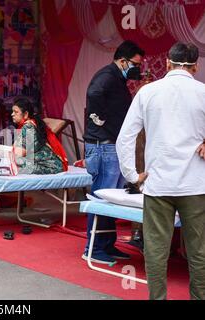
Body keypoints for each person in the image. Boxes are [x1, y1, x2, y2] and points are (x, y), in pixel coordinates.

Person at [116, 42, 205, 300]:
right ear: (196, 66)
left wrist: (133, 176)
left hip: (158, 184)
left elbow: (125, 138)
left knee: (156, 251)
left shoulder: (148, 92)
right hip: (196, 185)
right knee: (199, 251)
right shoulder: (203, 92)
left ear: (167, 63)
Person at [82, 40, 145, 264]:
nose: (137, 68)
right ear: (122, 61)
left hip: (109, 144)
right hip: (103, 145)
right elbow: (94, 93)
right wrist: (99, 119)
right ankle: (93, 248)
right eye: (135, 64)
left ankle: (107, 245)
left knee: (112, 199)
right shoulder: (107, 76)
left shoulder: (117, 78)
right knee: (102, 197)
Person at [11, 97, 67, 174]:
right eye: (12, 111)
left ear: (26, 114)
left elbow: (19, 153)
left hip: (50, 166)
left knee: (14, 161)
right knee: (12, 161)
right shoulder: (27, 125)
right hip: (46, 164)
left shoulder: (29, 127)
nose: (12, 114)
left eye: (15, 112)